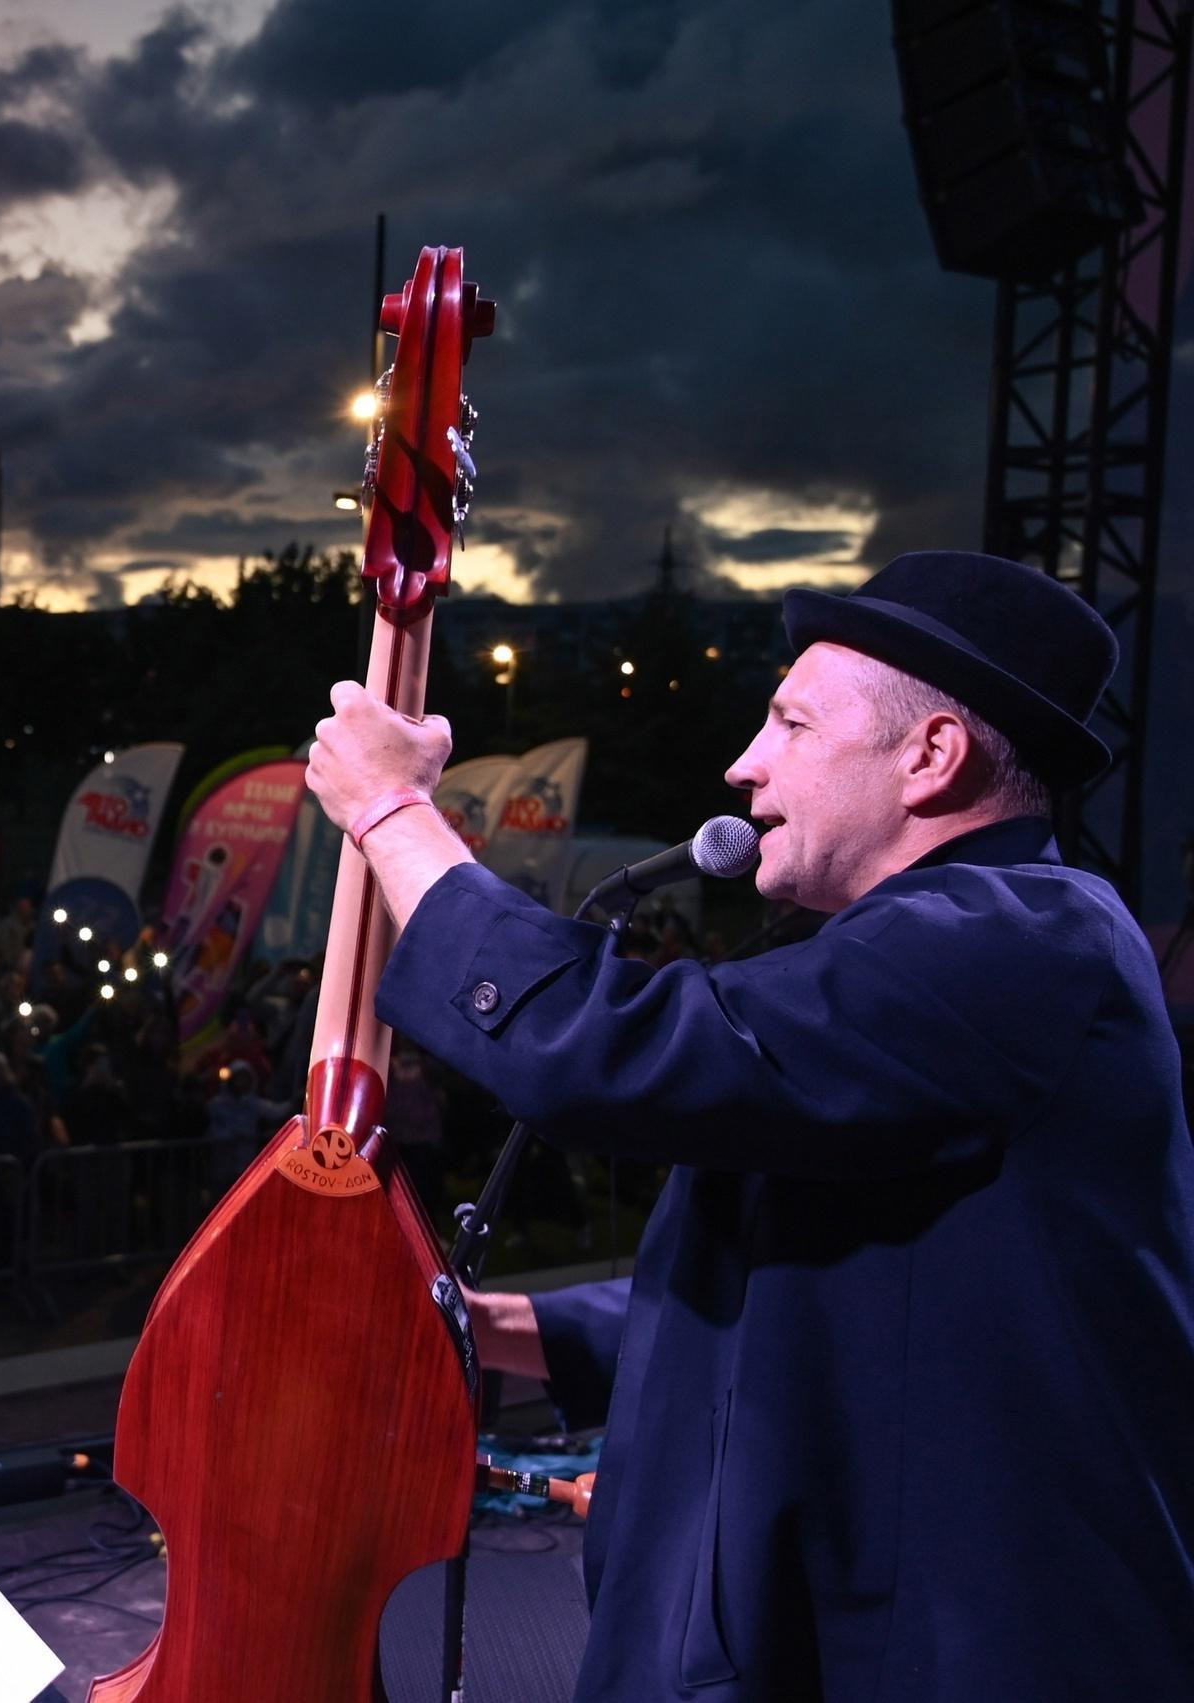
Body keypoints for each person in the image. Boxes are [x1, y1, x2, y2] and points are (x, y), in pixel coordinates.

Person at [306, 551, 1194, 1698]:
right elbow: (823, 1284)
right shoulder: (937, 948)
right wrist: (500, 1322)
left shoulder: (1020, 937)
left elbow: (601, 1041)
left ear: (930, 757)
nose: (744, 762)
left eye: (788, 721)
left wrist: (392, 813)